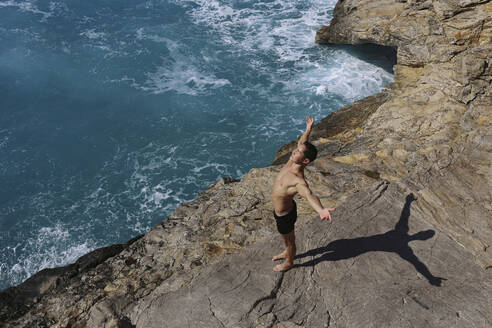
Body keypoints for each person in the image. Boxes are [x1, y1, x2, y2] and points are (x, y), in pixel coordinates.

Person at [271, 117, 335, 272]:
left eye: (299, 152)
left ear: (305, 161)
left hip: (285, 215)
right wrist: (308, 129)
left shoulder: (298, 181)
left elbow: (309, 195)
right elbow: (302, 142)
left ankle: (289, 262)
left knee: (290, 240)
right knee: (285, 237)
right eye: (296, 149)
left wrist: (320, 210)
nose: (295, 151)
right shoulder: (292, 162)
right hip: (283, 210)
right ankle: (287, 250)